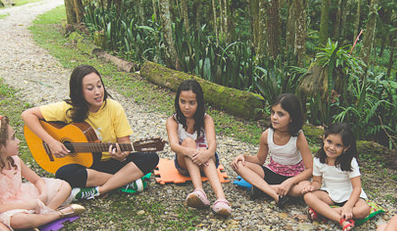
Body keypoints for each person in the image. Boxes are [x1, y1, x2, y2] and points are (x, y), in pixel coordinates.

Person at [22, 64, 160, 201]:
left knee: (151, 157)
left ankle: (99, 190)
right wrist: (51, 142)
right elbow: (27, 115)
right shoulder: (68, 109)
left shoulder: (114, 108)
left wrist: (121, 156)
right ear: (78, 92)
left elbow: (125, 144)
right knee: (64, 173)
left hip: (110, 163)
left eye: (99, 85)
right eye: (90, 88)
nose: (98, 92)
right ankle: (124, 182)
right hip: (86, 166)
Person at [0, 115, 82, 231]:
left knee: (64, 187)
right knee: (19, 220)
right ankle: (58, 214)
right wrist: (30, 204)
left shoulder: (15, 160)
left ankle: (38, 220)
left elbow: (37, 180)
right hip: (1, 209)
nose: (18, 141)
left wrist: (42, 194)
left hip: (20, 196)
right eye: (13, 138)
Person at [231, 93, 314, 206]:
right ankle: (274, 193)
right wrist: (243, 157)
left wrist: (290, 181)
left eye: (281, 114)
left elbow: (310, 169)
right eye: (273, 112)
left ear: (291, 118)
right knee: (239, 164)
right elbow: (260, 159)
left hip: (294, 177)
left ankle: (262, 189)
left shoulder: (298, 137)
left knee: (305, 188)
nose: (274, 117)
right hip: (272, 172)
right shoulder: (267, 135)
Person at [165, 79, 231, 216]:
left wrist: (205, 153)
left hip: (207, 163)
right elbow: (174, 146)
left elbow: (212, 145)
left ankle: (221, 199)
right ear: (177, 101)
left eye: (192, 103)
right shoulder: (173, 121)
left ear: (199, 102)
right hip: (184, 164)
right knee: (188, 142)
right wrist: (192, 152)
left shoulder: (207, 119)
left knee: (204, 150)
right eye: (182, 101)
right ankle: (199, 191)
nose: (186, 107)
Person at [302, 122, 371, 231]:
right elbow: (317, 182)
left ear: (346, 148)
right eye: (329, 142)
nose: (332, 148)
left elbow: (357, 188)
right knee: (308, 196)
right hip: (331, 194)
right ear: (324, 139)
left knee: (364, 210)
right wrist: (312, 186)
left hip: (351, 195)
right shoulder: (319, 160)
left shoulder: (350, 162)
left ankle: (323, 212)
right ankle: (341, 220)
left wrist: (349, 206)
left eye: (338, 145)